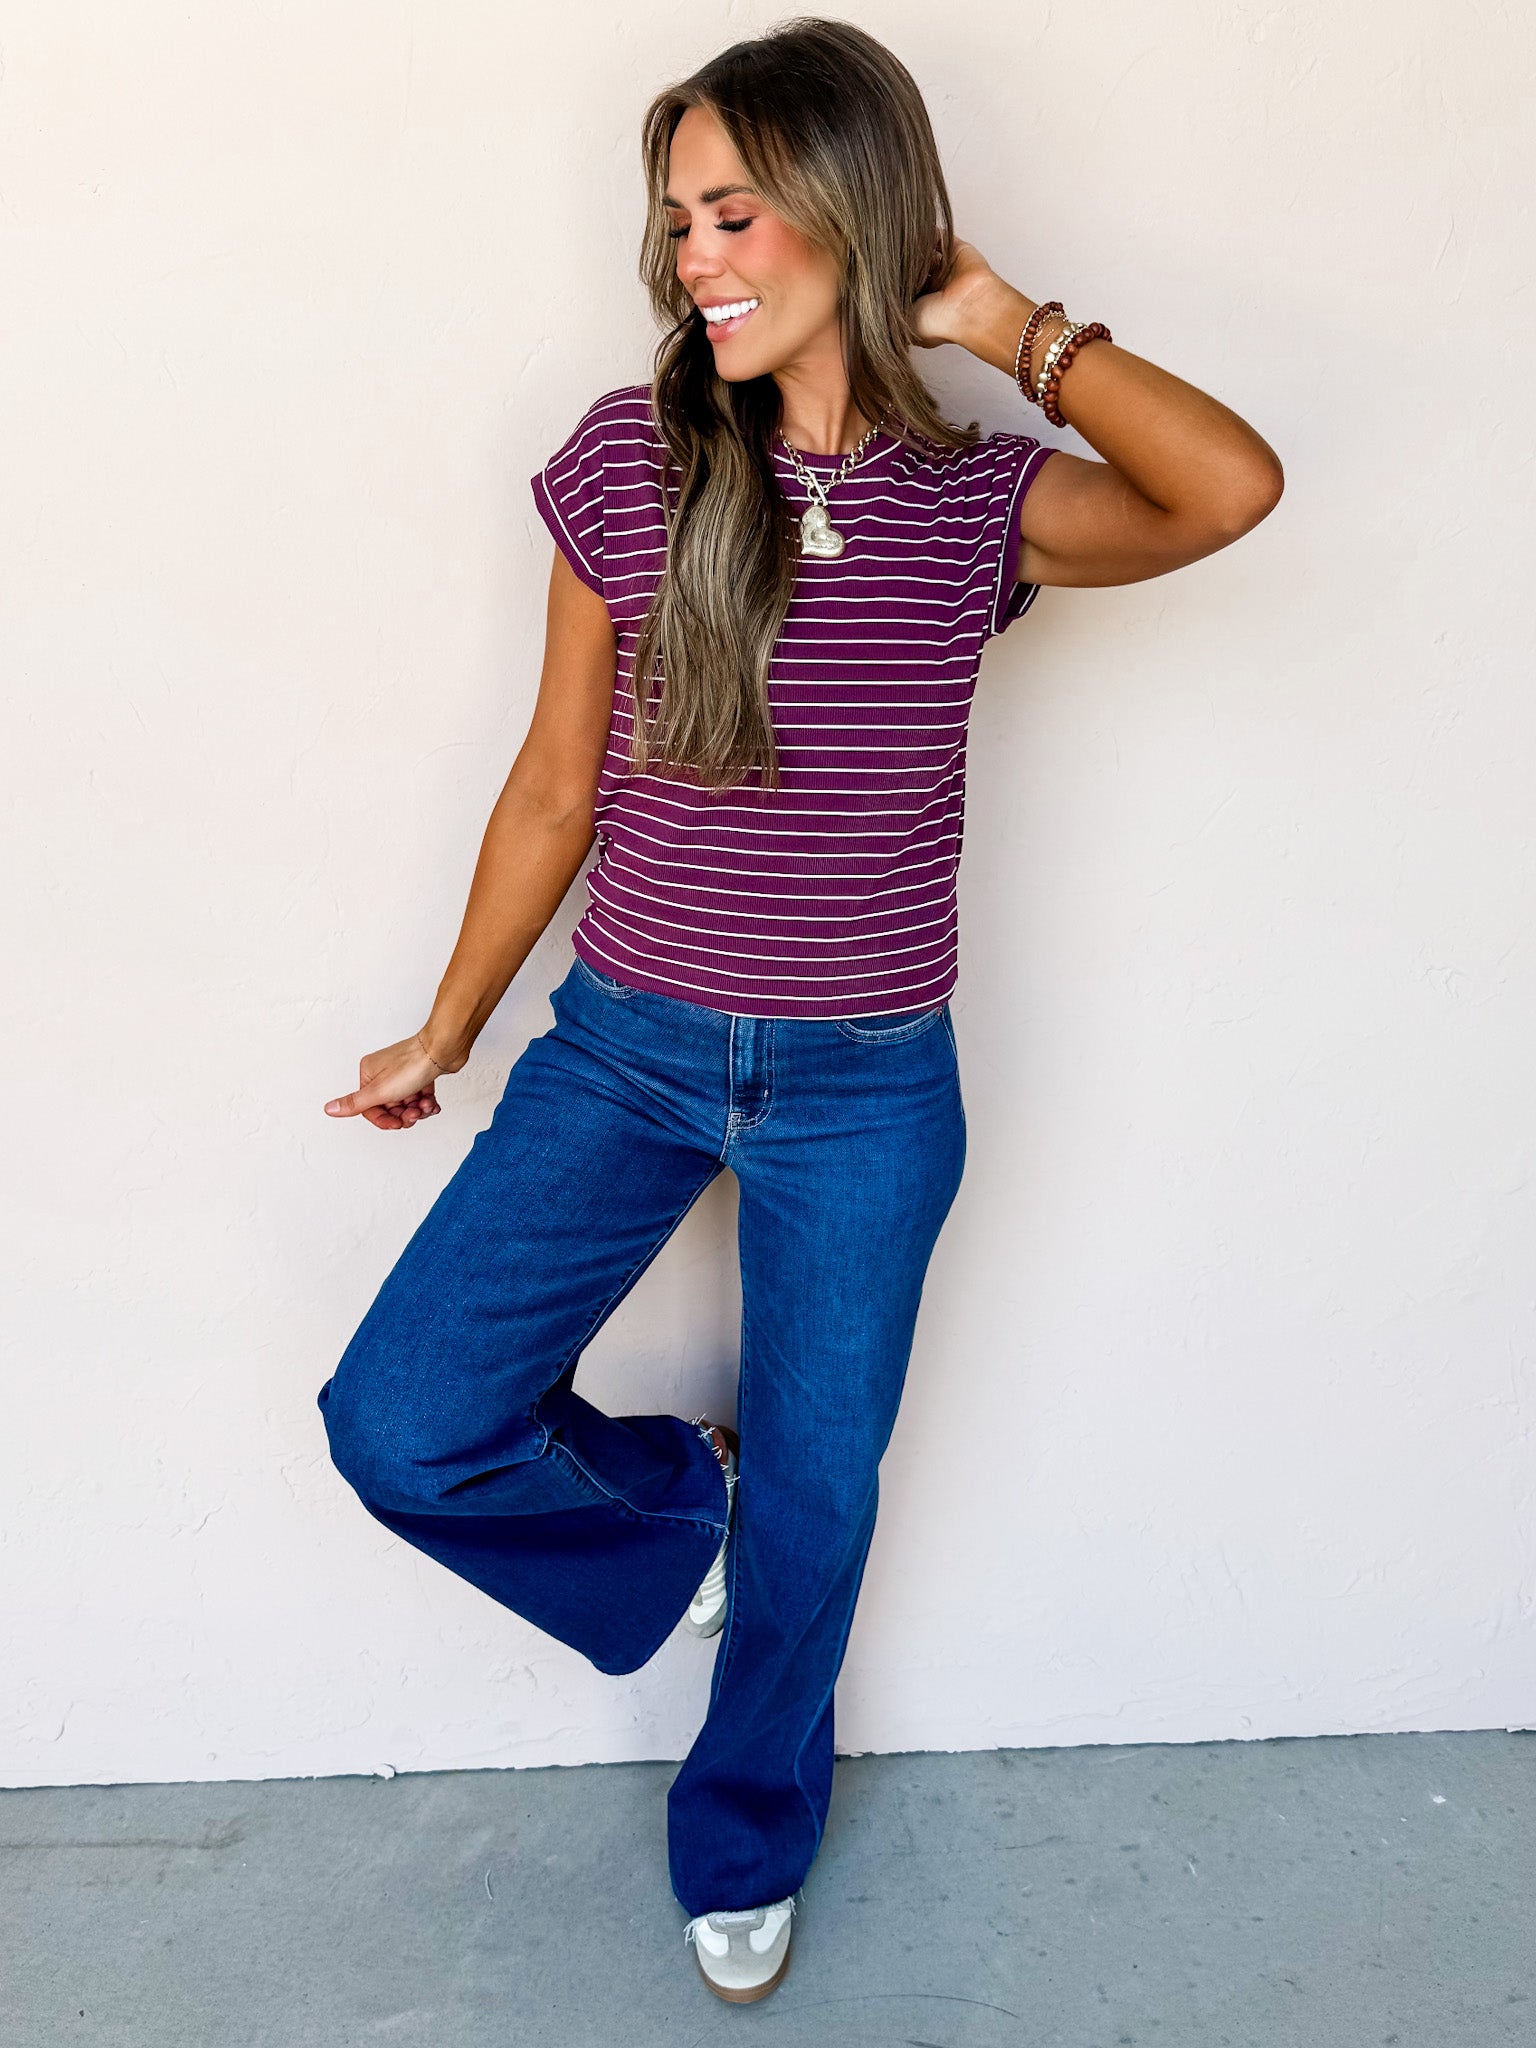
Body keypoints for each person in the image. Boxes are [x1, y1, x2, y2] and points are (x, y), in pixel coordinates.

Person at [315, 16, 1283, 2006]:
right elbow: (555, 786)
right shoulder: (628, 461)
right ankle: (689, 1509)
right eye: (677, 220)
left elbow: (1227, 490)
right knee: (403, 1420)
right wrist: (449, 1024)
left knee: (827, 1512)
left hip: (865, 1095)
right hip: (627, 1053)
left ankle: (746, 1834)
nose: (696, 257)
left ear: (850, 211)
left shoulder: (975, 506)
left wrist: (1003, 319)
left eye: (736, 212)